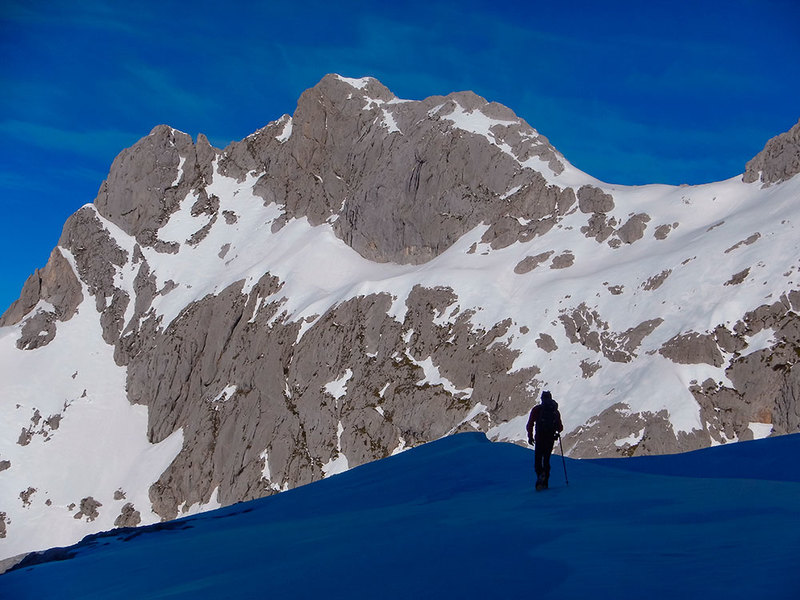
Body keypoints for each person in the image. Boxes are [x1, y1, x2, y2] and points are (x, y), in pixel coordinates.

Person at [526, 390, 564, 490]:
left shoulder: (537, 409)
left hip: (539, 438)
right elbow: (560, 427)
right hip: (550, 439)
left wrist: (530, 436)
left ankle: (540, 475)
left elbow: (530, 424)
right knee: (546, 460)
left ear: (542, 399)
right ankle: (546, 482)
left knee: (538, 460)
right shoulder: (555, 411)